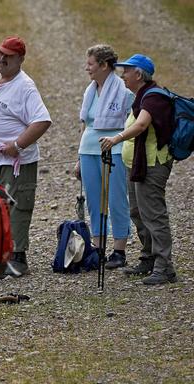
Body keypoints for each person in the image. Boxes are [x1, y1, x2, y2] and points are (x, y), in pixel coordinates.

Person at [0, 36, 52, 277]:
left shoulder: (25, 86)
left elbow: (42, 121)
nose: (2, 59)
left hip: (16, 160)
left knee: (17, 205)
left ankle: (18, 256)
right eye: (0, 54)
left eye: (7, 55)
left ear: (20, 59)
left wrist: (17, 144)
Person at [100, 54, 178, 285]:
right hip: (136, 164)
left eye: (126, 70)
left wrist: (117, 138)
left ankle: (165, 267)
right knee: (137, 211)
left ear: (138, 74)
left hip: (152, 164)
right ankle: (149, 258)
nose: (122, 75)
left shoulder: (153, 98)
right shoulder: (141, 96)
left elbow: (142, 124)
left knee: (153, 214)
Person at [75, 44, 134, 269]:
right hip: (88, 150)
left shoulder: (124, 92)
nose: (87, 68)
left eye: (90, 64)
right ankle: (98, 248)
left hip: (114, 151)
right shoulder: (90, 90)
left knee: (116, 199)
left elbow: (132, 124)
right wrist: (79, 158)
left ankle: (119, 250)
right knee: (93, 200)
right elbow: (84, 123)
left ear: (104, 65)